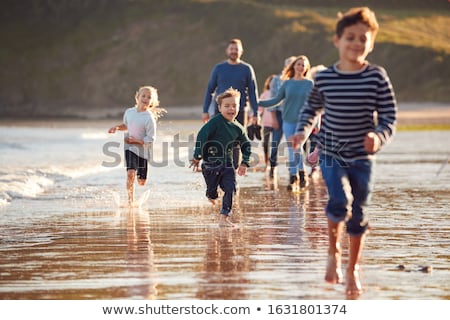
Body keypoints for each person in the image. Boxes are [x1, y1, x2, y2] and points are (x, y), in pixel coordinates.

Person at [292, 7, 397, 296]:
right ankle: (333, 252)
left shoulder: (376, 77)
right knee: (340, 200)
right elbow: (311, 109)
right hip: (332, 151)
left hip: (363, 157)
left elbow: (389, 115)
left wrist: (379, 135)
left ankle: (352, 270)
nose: (357, 43)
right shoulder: (325, 78)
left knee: (359, 211)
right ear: (337, 40)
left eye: (364, 39)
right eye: (350, 37)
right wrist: (302, 131)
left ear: (371, 43)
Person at [190, 88, 251, 227]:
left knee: (230, 188)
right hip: (210, 164)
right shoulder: (215, 122)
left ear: (239, 107)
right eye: (227, 106)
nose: (231, 109)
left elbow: (246, 145)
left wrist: (244, 163)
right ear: (219, 108)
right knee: (212, 192)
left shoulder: (238, 128)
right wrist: (197, 156)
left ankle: (224, 217)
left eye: (234, 105)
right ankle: (210, 194)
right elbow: (201, 137)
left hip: (227, 164)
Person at [259, 55, 314, 191]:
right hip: (288, 120)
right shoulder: (287, 83)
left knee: (297, 147)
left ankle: (299, 175)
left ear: (306, 68)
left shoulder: (310, 84)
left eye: (303, 65)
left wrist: (316, 123)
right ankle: (295, 177)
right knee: (292, 148)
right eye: (298, 64)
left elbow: (315, 105)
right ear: (293, 66)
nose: (300, 67)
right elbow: (276, 100)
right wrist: (258, 103)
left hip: (304, 122)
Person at [108, 85, 166, 206]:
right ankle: (130, 201)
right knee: (130, 173)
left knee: (141, 181)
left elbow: (150, 138)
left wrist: (136, 141)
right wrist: (117, 127)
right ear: (137, 97)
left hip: (143, 151)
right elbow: (126, 125)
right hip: (129, 148)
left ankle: (137, 190)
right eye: (143, 95)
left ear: (152, 101)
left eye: (149, 97)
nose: (145, 98)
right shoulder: (129, 112)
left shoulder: (149, 118)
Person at [202, 38, 259, 126]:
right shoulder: (219, 68)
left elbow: (252, 92)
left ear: (241, 51)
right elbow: (210, 90)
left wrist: (256, 113)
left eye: (236, 49)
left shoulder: (247, 69)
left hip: (240, 110)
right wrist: (205, 111)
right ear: (227, 51)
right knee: (220, 138)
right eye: (231, 49)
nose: (234, 51)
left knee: (238, 139)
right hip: (220, 110)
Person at [266, 56, 297, 178]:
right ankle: (272, 167)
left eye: (293, 64)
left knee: (295, 145)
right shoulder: (276, 80)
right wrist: (273, 119)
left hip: (293, 115)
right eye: (289, 64)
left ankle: (294, 171)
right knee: (275, 142)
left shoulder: (299, 81)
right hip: (279, 114)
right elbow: (272, 99)